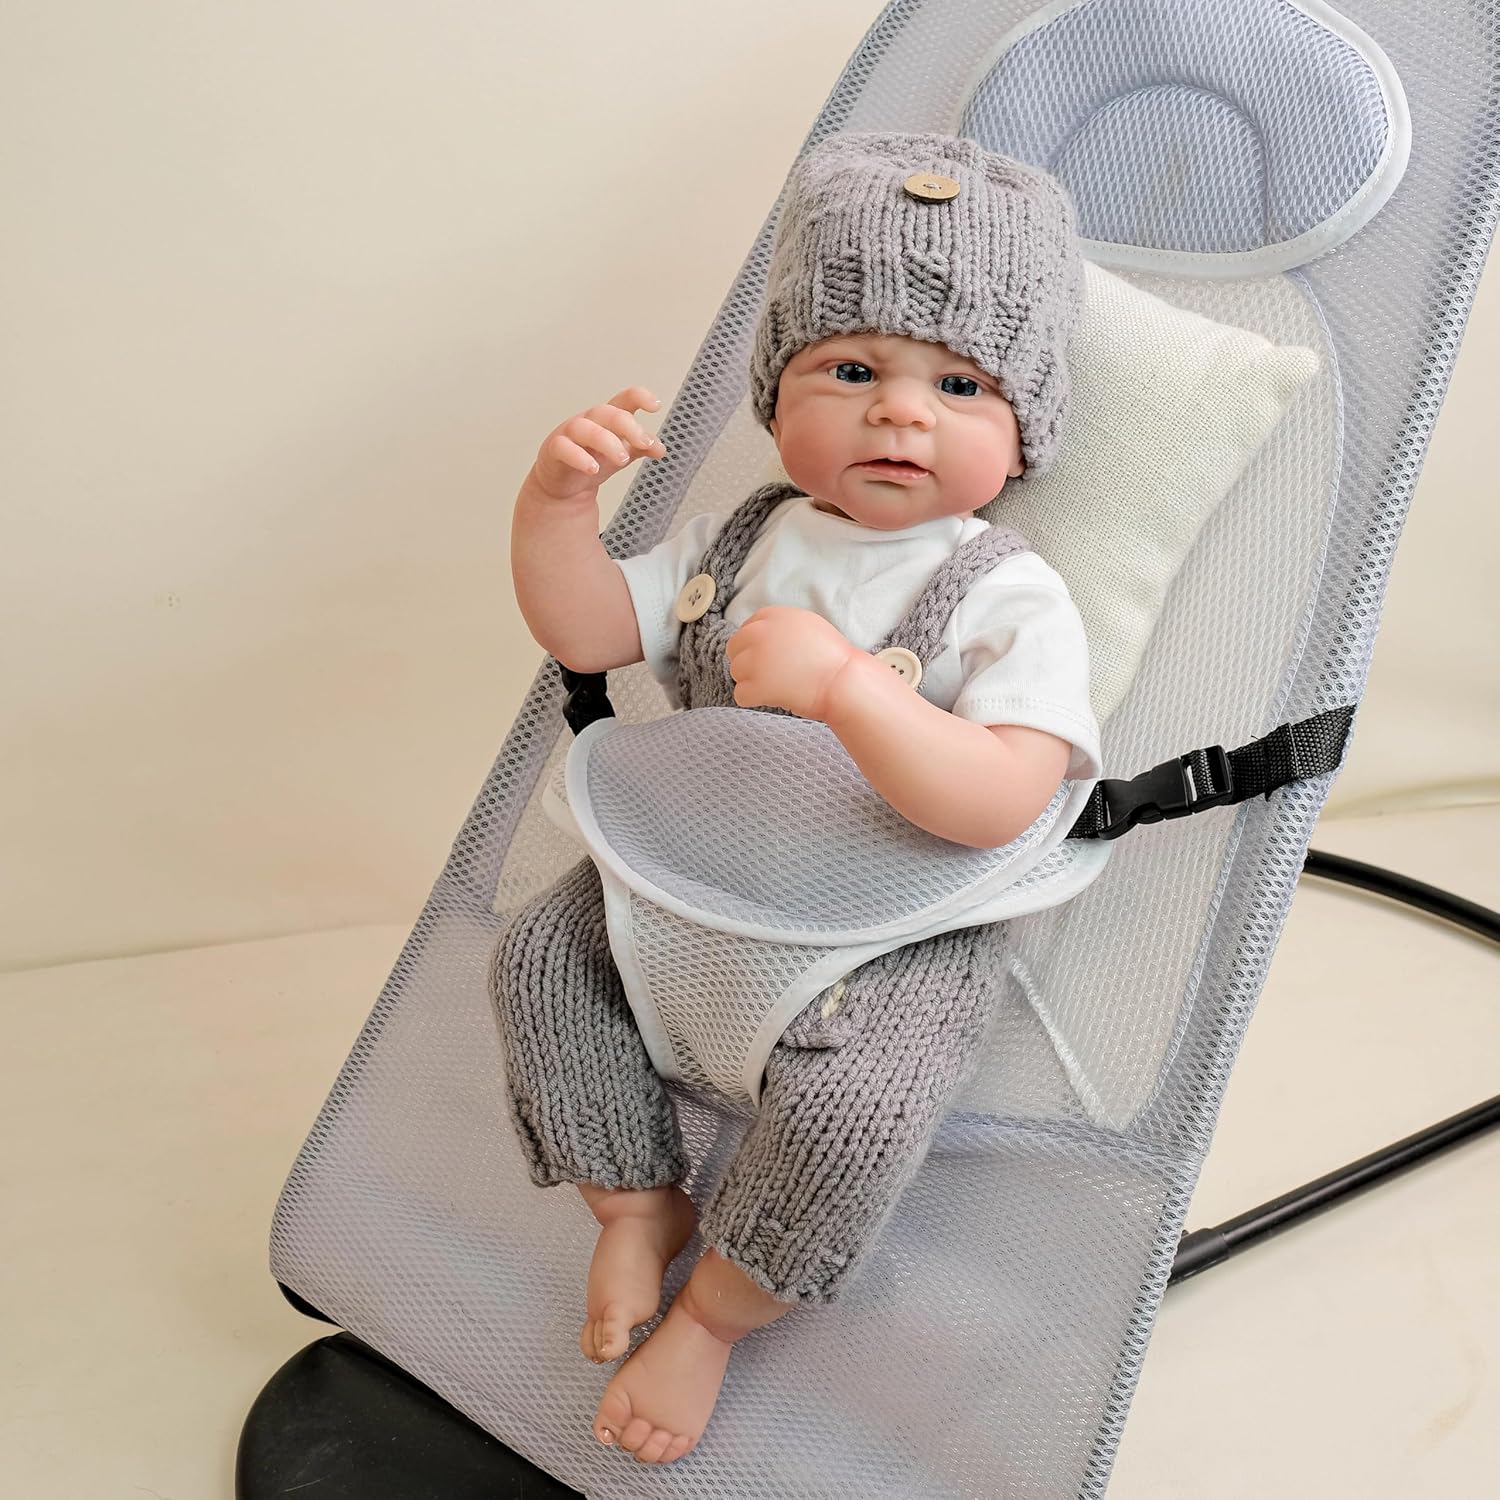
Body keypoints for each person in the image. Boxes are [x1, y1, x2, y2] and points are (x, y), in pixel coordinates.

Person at [491, 130, 1102, 1466]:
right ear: (778, 398)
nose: (901, 413)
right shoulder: (738, 539)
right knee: (541, 958)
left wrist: (852, 692)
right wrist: (555, 509)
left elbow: (1005, 797)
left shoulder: (1008, 595)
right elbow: (588, 629)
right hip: (694, 874)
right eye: (852, 369)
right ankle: (634, 1201)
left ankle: (715, 1313)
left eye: (960, 384)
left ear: (1026, 434)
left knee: (858, 1112)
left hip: (890, 929)